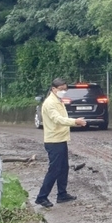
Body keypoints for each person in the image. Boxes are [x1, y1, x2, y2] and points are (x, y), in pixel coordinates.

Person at [35, 78, 87, 208]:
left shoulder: (57, 100)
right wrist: (75, 122)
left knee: (63, 169)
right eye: (61, 90)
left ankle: (62, 194)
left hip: (61, 139)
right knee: (54, 169)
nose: (63, 92)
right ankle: (42, 197)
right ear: (53, 89)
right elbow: (57, 119)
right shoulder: (50, 103)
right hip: (53, 141)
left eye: (65, 89)